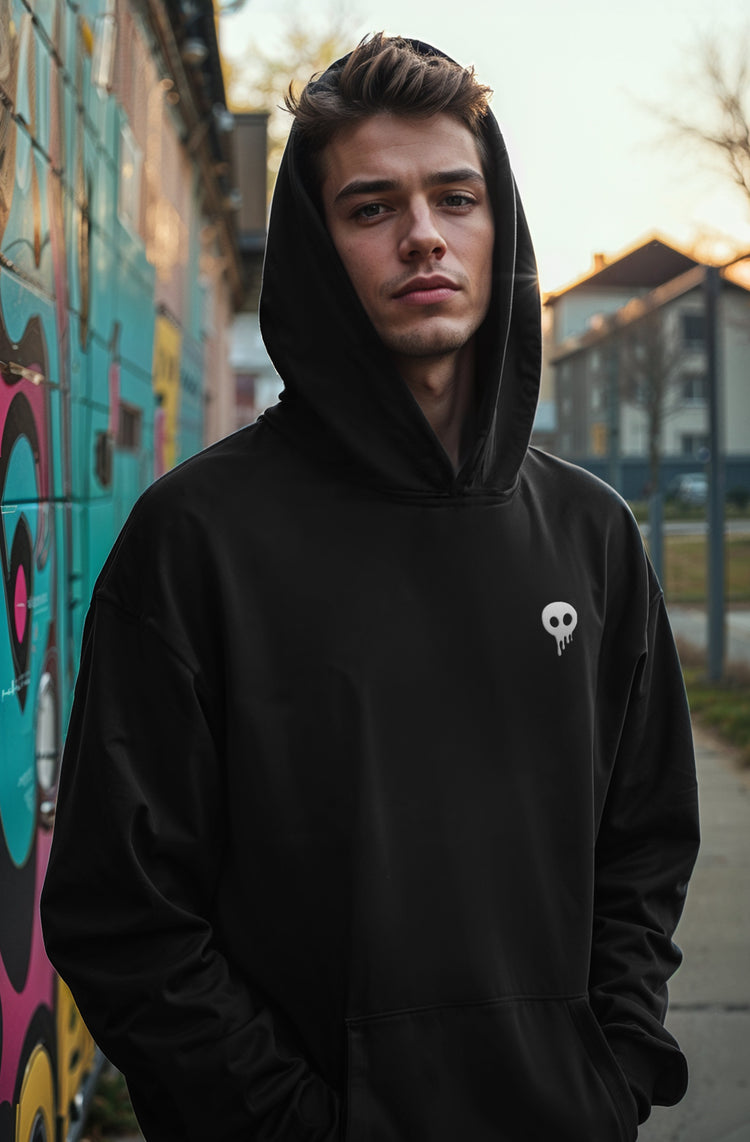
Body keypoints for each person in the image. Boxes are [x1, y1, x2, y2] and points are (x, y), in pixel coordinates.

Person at [42, 34, 700, 1142]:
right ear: (317, 245)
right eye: (371, 208)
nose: (424, 236)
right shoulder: (198, 538)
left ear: (502, 229)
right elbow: (123, 910)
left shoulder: (590, 535)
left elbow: (645, 839)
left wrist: (616, 1060)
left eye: (456, 197)